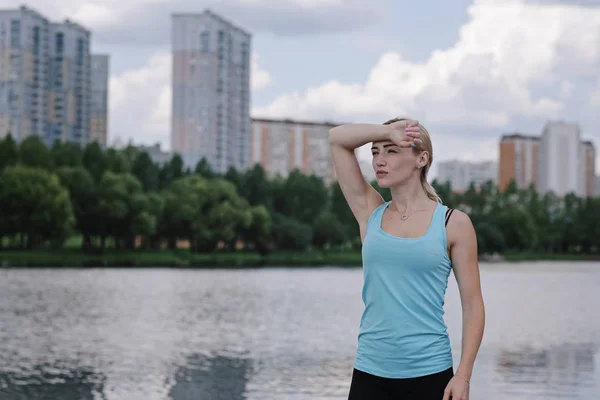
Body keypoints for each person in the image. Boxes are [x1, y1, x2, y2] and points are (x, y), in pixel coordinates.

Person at [329, 118, 485, 400]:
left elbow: (472, 305)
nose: (379, 160)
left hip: (430, 373)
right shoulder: (370, 212)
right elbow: (337, 139)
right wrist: (386, 132)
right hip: (370, 372)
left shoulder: (453, 223)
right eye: (375, 152)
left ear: (421, 159)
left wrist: (463, 374)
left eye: (392, 150)